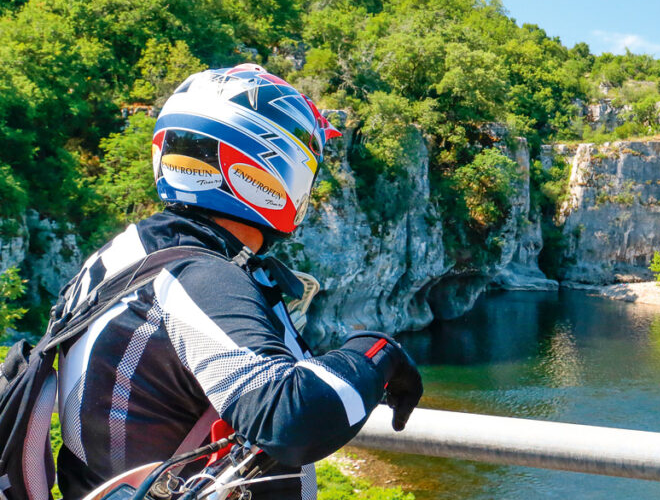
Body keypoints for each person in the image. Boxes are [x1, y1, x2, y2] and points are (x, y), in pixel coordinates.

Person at [54, 64, 423, 499]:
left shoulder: (124, 254)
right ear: (278, 167)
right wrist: (378, 353)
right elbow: (292, 419)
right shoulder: (198, 276)